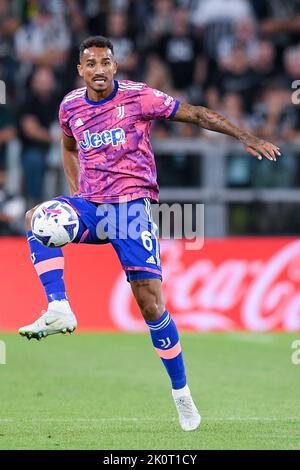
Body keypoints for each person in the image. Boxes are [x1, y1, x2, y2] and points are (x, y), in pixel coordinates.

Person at [19, 36, 280, 432]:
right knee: (36, 219)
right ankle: (59, 307)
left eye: (106, 62)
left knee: (151, 306)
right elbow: (68, 146)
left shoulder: (140, 98)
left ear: (115, 66)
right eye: (91, 63)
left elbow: (195, 115)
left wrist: (245, 136)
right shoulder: (70, 105)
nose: (99, 70)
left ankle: (182, 394)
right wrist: (75, 192)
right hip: (90, 206)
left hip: (130, 211)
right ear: (80, 71)